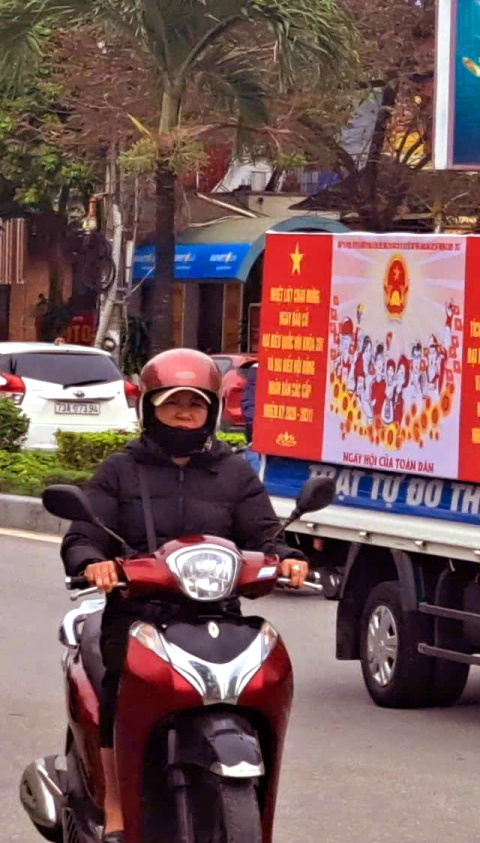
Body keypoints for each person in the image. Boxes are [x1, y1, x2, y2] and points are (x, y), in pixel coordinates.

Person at [59, 348, 307, 842]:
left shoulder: (232, 472)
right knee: (117, 682)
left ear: (212, 409)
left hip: (218, 612)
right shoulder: (120, 471)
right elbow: (83, 532)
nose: (185, 413)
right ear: (150, 408)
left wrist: (286, 555)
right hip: (139, 610)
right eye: (173, 403)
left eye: (195, 403)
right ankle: (114, 802)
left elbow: (264, 530)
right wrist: (93, 562)